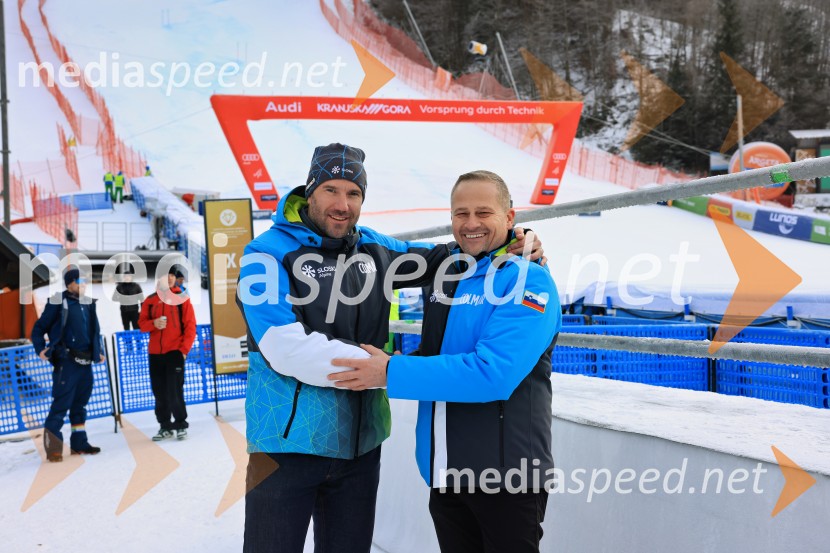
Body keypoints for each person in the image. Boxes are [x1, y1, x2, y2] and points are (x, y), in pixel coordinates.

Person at [237, 144, 543, 553]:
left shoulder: (374, 251)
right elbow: (282, 346)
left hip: (360, 445)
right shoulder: (265, 254)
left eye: (354, 193)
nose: (342, 204)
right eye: (331, 190)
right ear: (309, 192)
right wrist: (380, 370)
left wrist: (517, 241)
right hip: (285, 445)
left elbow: (453, 255)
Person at [330, 170, 562, 553]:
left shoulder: (528, 281)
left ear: (510, 217)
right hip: (446, 471)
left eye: (483, 212)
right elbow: (442, 353)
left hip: (505, 479)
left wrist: (390, 371)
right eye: (460, 213)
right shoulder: (449, 274)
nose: (470, 224)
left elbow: (493, 374)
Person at [30, 267, 106, 462]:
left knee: (80, 405)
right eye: (80, 281)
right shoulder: (58, 301)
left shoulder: (88, 303)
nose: (84, 285)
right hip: (67, 363)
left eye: (85, 281)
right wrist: (40, 349)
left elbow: (95, 330)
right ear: (70, 283)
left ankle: (79, 443)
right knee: (61, 405)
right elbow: (39, 329)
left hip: (85, 362)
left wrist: (100, 351)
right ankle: (54, 448)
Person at [138, 267, 196, 441]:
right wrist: (153, 323)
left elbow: (190, 327)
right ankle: (164, 425)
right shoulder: (150, 300)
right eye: (167, 275)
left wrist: (183, 351)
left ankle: (180, 424)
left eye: (172, 275)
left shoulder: (182, 299)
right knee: (159, 392)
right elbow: (141, 325)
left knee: (174, 391)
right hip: (155, 353)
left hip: (175, 352)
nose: (171, 278)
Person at [112, 265, 144, 331]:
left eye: (129, 276)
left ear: (131, 277)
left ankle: (138, 341)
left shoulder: (136, 286)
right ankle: (128, 342)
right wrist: (121, 298)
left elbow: (141, 299)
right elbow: (114, 298)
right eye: (125, 277)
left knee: (136, 327)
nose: (127, 278)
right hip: (124, 311)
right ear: (123, 277)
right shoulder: (119, 286)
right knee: (126, 328)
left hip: (134, 311)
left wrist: (143, 310)